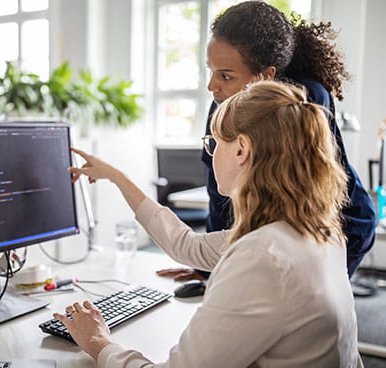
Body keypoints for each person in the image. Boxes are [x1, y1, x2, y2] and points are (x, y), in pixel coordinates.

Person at [55, 80, 363, 367]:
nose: (211, 155)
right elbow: (185, 245)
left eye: (213, 143)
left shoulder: (263, 257)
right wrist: (118, 178)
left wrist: (98, 343)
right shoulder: (313, 231)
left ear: (241, 149)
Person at [157, 0, 376, 282]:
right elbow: (219, 194)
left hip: (337, 226)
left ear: (266, 75)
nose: (212, 85)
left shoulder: (304, 100)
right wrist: (209, 266)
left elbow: (296, 202)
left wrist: (231, 267)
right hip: (278, 234)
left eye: (225, 75)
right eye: (211, 70)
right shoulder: (222, 104)